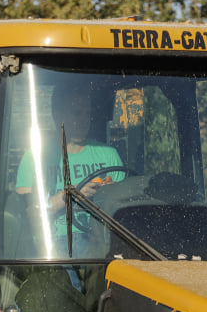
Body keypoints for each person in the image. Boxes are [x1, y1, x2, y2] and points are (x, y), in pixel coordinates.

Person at [14, 85, 125, 244]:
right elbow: (28, 216)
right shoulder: (35, 158)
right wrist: (71, 195)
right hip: (54, 244)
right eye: (77, 113)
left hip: (102, 240)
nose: (84, 120)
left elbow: (125, 210)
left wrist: (109, 193)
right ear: (57, 116)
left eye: (87, 113)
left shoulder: (109, 154)